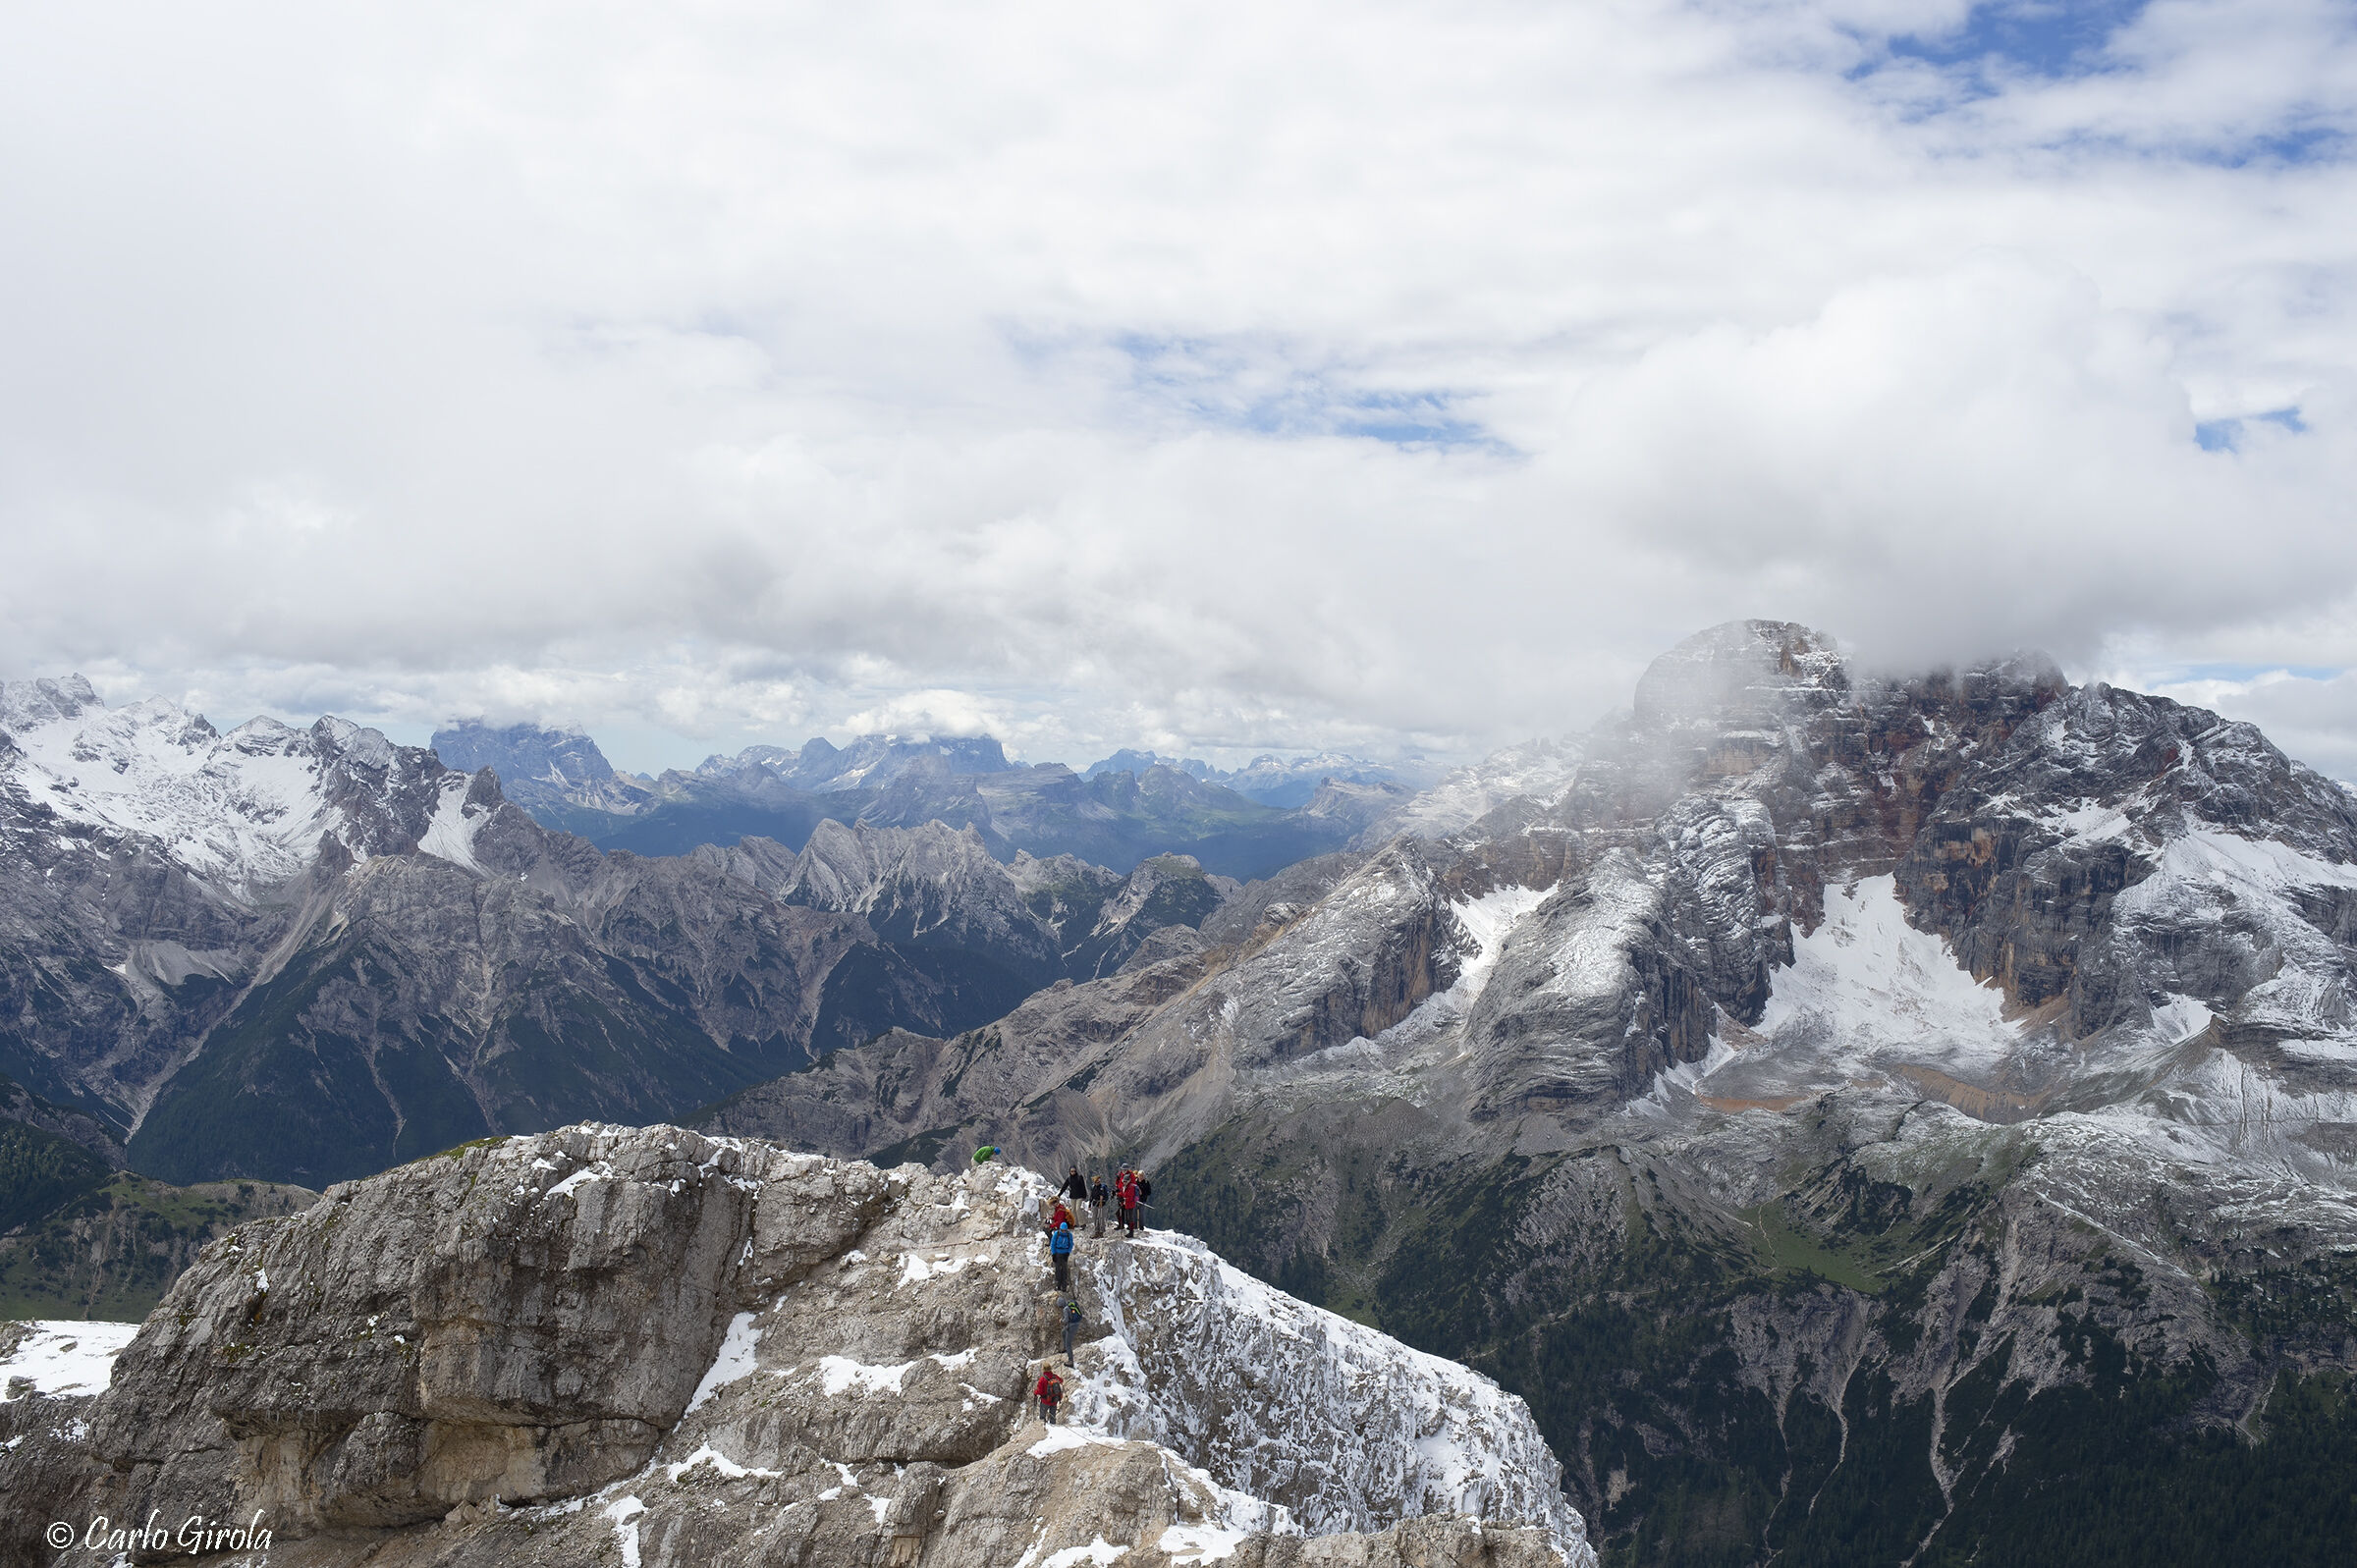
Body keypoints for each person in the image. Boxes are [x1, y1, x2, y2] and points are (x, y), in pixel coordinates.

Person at [1050, 1219, 1073, 1290]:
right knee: (1058, 1269)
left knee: (1064, 1270)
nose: (1063, 1231)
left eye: (1064, 1230)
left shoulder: (1069, 1235)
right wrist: (1053, 1254)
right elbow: (1053, 1244)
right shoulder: (1056, 1234)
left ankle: (1064, 1285)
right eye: (1062, 1230)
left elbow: (1071, 1244)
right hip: (1057, 1253)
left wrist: (1068, 1252)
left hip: (1065, 1253)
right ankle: (1058, 1284)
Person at [1061, 1296, 1083, 1364]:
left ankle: (1070, 1361)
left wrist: (1061, 1321)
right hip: (1076, 1324)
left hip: (1071, 1326)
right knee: (1063, 1332)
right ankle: (1065, 1348)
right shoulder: (1070, 1306)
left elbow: (1066, 1320)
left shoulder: (1065, 1309)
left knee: (1068, 1344)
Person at [1089, 1173, 1109, 1238]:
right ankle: (1097, 1231)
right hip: (1095, 1203)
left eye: (1098, 1182)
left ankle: (1102, 1231)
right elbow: (1091, 1196)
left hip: (1102, 1204)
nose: (1097, 1183)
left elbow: (1107, 1196)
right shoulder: (1093, 1188)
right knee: (1095, 1218)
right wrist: (1090, 1204)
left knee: (1101, 1218)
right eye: (1096, 1182)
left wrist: (1103, 1200)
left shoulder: (1103, 1187)